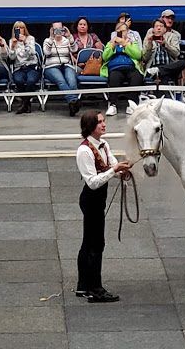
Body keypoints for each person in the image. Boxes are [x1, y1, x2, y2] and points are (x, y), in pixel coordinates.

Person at [75, 109, 133, 303]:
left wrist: (120, 170)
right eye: (100, 122)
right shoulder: (84, 151)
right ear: (91, 126)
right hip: (91, 199)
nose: (104, 124)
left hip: (99, 197)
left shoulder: (104, 145)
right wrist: (114, 171)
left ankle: (83, 285)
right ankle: (95, 288)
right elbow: (92, 181)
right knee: (96, 243)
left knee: (88, 242)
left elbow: (111, 165)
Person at [102, 22, 144, 116]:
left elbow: (137, 55)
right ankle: (112, 105)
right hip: (116, 68)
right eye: (119, 31)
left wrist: (125, 45)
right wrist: (113, 46)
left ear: (127, 32)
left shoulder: (132, 42)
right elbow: (105, 57)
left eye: (123, 31)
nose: (121, 33)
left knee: (137, 76)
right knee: (114, 77)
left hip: (130, 67)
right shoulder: (111, 43)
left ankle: (131, 104)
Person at [142, 18, 185, 96]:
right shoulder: (148, 38)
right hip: (153, 66)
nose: (159, 28)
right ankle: (167, 99)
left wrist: (165, 44)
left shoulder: (172, 36)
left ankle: (159, 70)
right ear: (153, 29)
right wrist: (149, 44)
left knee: (183, 62)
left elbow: (176, 53)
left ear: (165, 29)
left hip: (169, 66)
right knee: (164, 77)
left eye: (161, 26)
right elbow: (144, 58)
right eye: (157, 26)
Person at [43, 21, 81, 116]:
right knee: (61, 81)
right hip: (51, 67)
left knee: (72, 81)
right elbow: (46, 53)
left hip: (66, 65)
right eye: (56, 29)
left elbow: (74, 49)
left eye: (60, 28)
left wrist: (70, 37)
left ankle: (72, 105)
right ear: (51, 30)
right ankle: (73, 101)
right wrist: (52, 38)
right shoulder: (47, 41)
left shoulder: (66, 40)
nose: (58, 31)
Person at [9, 21, 41, 114]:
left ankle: (24, 104)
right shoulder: (12, 40)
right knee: (19, 80)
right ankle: (27, 104)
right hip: (19, 67)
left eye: (21, 28)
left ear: (24, 29)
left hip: (31, 66)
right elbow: (11, 58)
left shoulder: (30, 39)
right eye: (17, 28)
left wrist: (25, 43)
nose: (19, 30)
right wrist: (12, 47)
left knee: (31, 80)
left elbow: (32, 55)